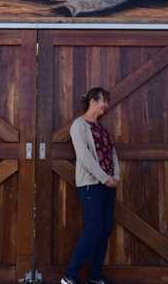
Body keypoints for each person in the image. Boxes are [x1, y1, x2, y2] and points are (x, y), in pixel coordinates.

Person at [61, 87, 120, 284]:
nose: (106, 105)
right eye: (104, 100)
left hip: (109, 185)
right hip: (90, 185)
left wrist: (116, 176)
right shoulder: (78, 126)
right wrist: (105, 178)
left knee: (105, 229)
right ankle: (70, 276)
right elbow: (84, 157)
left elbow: (112, 153)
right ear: (93, 101)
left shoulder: (102, 128)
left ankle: (95, 276)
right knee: (93, 229)